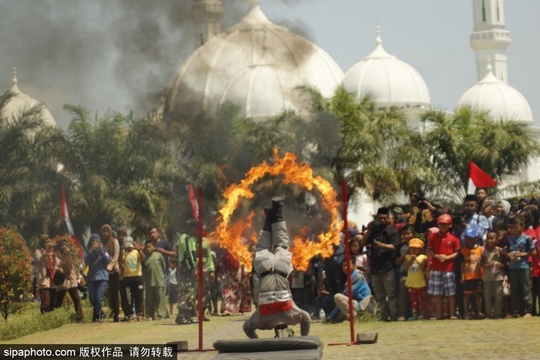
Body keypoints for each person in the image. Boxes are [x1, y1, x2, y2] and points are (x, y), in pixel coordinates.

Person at [243, 197, 311, 338]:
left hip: (281, 269)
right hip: (264, 269)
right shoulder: (260, 320)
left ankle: (277, 211)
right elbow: (247, 328)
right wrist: (256, 341)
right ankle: (269, 219)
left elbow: (307, 319)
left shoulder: (292, 314)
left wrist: (305, 339)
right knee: (263, 247)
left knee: (282, 245)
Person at [361, 207, 399, 321]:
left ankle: (394, 315)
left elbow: (393, 247)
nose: (382, 220)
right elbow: (362, 243)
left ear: (388, 219)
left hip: (388, 268)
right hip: (375, 269)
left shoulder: (392, 231)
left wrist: (380, 245)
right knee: (380, 296)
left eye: (385, 218)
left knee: (391, 294)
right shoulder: (374, 231)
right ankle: (384, 316)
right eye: (380, 218)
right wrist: (369, 230)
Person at [176, 219, 215, 325]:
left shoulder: (202, 240)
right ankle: (181, 315)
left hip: (197, 268)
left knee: (193, 292)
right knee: (186, 292)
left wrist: (211, 269)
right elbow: (188, 255)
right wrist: (193, 268)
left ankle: (188, 315)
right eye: (196, 228)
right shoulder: (186, 238)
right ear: (191, 228)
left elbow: (209, 256)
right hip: (187, 268)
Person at [426, 214, 460, 320]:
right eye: (441, 224)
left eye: (445, 224)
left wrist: (447, 257)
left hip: (449, 268)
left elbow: (457, 253)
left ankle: (452, 313)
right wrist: (437, 256)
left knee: (450, 292)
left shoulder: (454, 238)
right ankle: (438, 314)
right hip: (435, 267)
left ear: (450, 225)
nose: (443, 226)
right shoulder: (433, 236)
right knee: (437, 292)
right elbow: (428, 251)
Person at [324, 257, 376, 323]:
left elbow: (347, 294)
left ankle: (355, 317)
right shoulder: (350, 277)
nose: (345, 267)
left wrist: (331, 316)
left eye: (348, 265)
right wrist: (332, 317)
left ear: (354, 265)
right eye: (344, 266)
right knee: (336, 319)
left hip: (363, 305)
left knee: (337, 296)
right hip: (355, 304)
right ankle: (335, 318)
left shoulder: (358, 277)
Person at [504, 214, 534, 318]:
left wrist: (521, 254)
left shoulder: (527, 238)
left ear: (522, 226)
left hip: (523, 267)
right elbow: (506, 250)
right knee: (514, 290)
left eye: (516, 227)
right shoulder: (510, 239)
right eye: (513, 227)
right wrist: (508, 254)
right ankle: (515, 311)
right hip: (513, 267)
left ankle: (529, 310)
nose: (514, 229)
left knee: (526, 289)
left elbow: (533, 252)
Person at [53, 238, 84, 322]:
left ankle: (80, 317)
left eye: (65, 245)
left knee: (76, 299)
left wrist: (76, 277)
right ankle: (55, 318)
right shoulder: (57, 255)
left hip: (71, 279)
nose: (64, 247)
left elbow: (73, 267)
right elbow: (56, 265)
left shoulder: (69, 255)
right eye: (62, 245)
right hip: (63, 280)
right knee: (59, 300)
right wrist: (60, 268)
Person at [148, 226, 176, 319]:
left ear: (158, 233)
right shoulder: (149, 244)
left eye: (154, 232)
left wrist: (163, 251)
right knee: (153, 294)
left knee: (162, 293)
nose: (152, 234)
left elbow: (174, 253)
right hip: (152, 273)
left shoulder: (164, 243)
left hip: (163, 272)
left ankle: (162, 312)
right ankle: (157, 313)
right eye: (150, 233)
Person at [459, 227, 485, 320]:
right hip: (468, 276)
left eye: (471, 238)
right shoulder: (464, 251)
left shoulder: (481, 249)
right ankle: (466, 312)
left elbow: (483, 262)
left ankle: (478, 311)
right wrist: (462, 275)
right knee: (467, 294)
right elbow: (462, 264)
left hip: (478, 275)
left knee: (478, 294)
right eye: (467, 238)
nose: (469, 240)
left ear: (476, 238)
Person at [85, 234, 111, 323]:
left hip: (102, 277)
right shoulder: (89, 252)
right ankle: (100, 312)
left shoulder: (104, 251)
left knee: (99, 298)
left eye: (97, 241)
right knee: (92, 299)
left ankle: (96, 316)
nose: (95, 243)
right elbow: (86, 261)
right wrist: (91, 251)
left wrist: (101, 251)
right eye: (93, 242)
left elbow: (108, 260)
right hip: (91, 278)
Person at [482, 230, 505, 318]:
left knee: (498, 295)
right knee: (487, 296)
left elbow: (506, 261)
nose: (490, 240)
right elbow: (481, 263)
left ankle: (498, 313)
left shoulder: (499, 250)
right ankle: (488, 313)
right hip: (487, 277)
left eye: (492, 239)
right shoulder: (484, 251)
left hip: (498, 276)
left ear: (496, 240)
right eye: (488, 238)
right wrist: (488, 265)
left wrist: (500, 265)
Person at [100, 224, 121, 322]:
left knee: (114, 293)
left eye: (107, 231)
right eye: (104, 231)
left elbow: (116, 256)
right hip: (102, 271)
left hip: (113, 271)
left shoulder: (114, 241)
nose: (105, 233)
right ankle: (100, 314)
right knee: (101, 294)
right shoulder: (100, 242)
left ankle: (116, 314)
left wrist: (109, 267)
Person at [122, 235, 145, 321]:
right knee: (129, 297)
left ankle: (139, 313)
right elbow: (121, 260)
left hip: (137, 277)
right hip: (127, 278)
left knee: (139, 296)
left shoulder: (136, 252)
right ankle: (130, 314)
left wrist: (138, 249)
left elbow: (143, 258)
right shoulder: (124, 253)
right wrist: (122, 249)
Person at [395, 224, 415, 321]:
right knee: (403, 290)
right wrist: (406, 254)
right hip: (405, 274)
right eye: (404, 234)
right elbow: (397, 262)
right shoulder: (400, 247)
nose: (406, 236)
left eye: (408, 233)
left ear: (413, 234)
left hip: (417, 273)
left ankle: (418, 313)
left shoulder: (419, 244)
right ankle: (402, 314)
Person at [143, 239, 167, 320]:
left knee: (160, 299)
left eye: (150, 247)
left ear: (154, 247)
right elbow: (144, 270)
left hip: (159, 280)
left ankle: (161, 315)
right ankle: (150, 315)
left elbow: (163, 266)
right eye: (146, 247)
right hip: (150, 281)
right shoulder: (145, 257)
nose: (148, 249)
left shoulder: (158, 255)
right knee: (150, 299)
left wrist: (162, 276)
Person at [403, 238, 427, 320]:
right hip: (411, 282)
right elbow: (405, 267)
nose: (413, 250)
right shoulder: (408, 257)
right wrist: (410, 260)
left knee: (421, 299)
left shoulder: (423, 257)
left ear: (420, 249)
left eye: (415, 248)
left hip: (419, 282)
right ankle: (414, 314)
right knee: (413, 299)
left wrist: (416, 259)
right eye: (411, 248)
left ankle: (422, 314)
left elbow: (423, 267)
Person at [36, 235, 56, 314]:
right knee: (46, 302)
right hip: (44, 279)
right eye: (46, 242)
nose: (48, 243)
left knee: (52, 302)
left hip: (52, 279)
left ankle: (50, 319)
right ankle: (44, 319)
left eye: (49, 241)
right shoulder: (38, 251)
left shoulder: (52, 252)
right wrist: (46, 251)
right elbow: (40, 260)